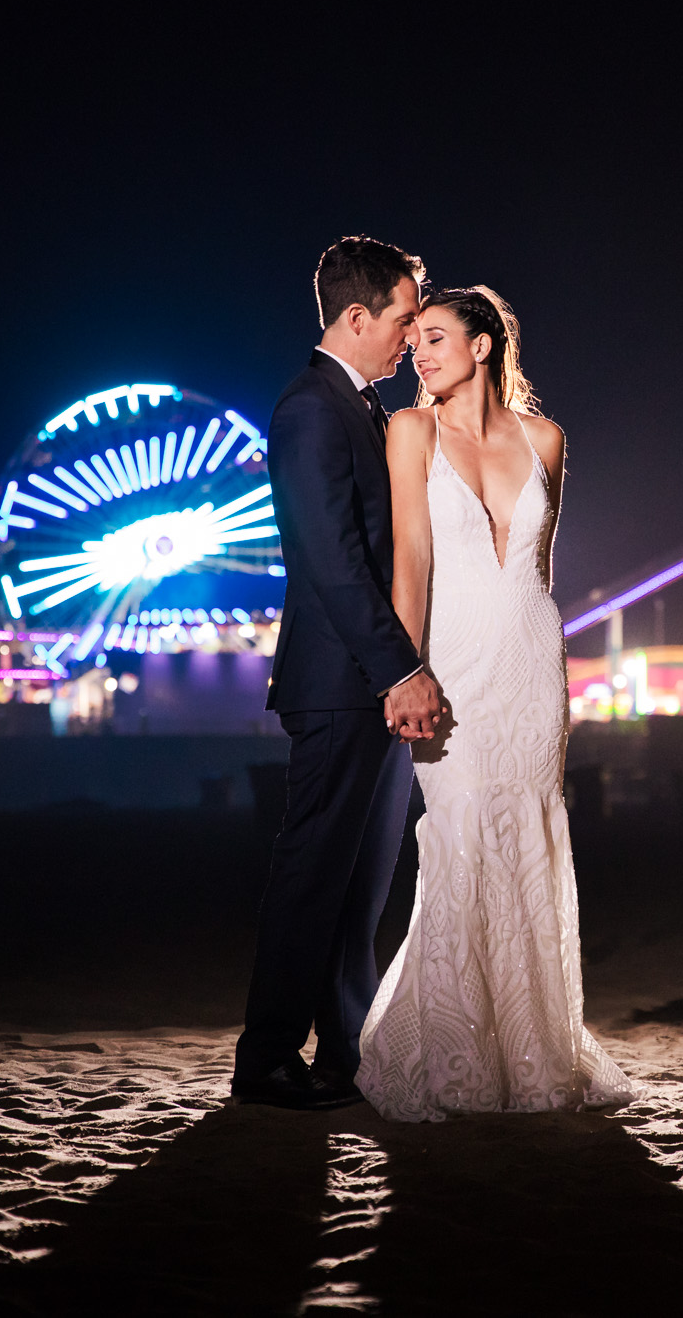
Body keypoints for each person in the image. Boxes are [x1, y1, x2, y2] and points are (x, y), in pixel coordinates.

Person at [355, 285, 636, 1121]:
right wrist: (403, 673)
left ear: (483, 346)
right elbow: (411, 563)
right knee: (458, 837)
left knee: (528, 841)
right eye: (415, 343)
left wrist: (547, 667)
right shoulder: (410, 432)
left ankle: (535, 1050)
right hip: (451, 664)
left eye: (436, 338)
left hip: (529, 664)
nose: (420, 353)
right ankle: (454, 1054)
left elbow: (539, 574)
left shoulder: (546, 439)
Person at [232, 236, 446, 1111]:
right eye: (402, 319)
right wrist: (401, 669)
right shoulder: (311, 408)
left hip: (373, 685)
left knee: (361, 889)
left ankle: (345, 1056)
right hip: (339, 684)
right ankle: (268, 1058)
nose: (410, 336)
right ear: (357, 318)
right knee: (313, 874)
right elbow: (331, 557)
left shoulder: (358, 406)